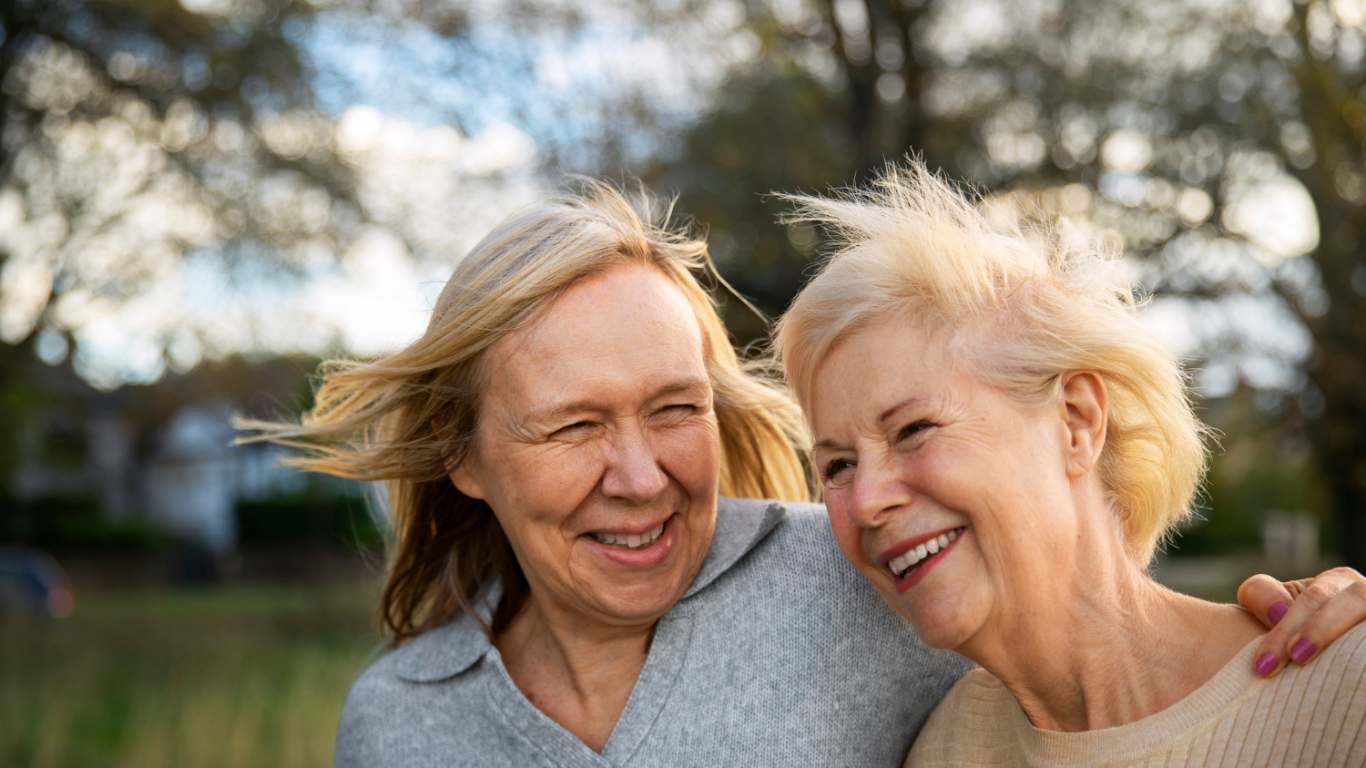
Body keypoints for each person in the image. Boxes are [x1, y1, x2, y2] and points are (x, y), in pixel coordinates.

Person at [239, 180, 1362, 767]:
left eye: (673, 409)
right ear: (463, 456)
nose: (636, 476)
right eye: (573, 426)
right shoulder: (398, 724)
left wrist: (1319, 632)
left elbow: (1067, 600)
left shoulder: (852, 576)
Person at [776, 160, 1366, 767]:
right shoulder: (945, 751)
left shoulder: (1346, 694)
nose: (868, 499)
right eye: (839, 466)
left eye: (914, 429)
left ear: (1077, 421)